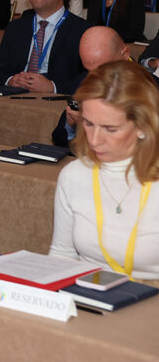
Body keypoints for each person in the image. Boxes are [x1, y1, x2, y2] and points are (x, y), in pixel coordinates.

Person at [49, 60, 159, 280]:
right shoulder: (74, 175)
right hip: (89, 292)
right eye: (88, 124)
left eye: (110, 129)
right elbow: (62, 255)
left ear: (143, 126)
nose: (94, 140)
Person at [0, 0, 90, 93]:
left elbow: (91, 78)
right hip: (16, 95)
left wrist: (53, 87)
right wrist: (10, 80)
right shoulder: (16, 27)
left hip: (57, 100)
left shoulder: (83, 30)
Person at [52, 26, 133, 147]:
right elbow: (59, 140)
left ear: (125, 54)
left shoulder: (150, 88)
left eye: (102, 69)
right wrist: (71, 126)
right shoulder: (82, 81)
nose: (95, 78)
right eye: (88, 69)